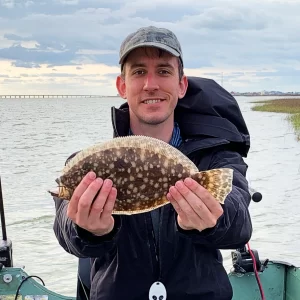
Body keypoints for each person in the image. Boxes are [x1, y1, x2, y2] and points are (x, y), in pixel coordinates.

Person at [53, 25, 252, 300]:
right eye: (138, 72)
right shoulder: (84, 163)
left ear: (181, 85)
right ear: (122, 86)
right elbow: (66, 231)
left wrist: (213, 219)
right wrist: (87, 231)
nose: (151, 84)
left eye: (163, 71)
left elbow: (240, 225)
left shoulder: (216, 158)